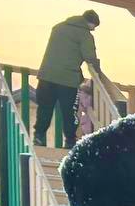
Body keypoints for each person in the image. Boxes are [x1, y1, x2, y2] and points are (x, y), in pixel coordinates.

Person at [34, 10, 100, 148]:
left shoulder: (58, 28)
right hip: (67, 80)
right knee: (69, 111)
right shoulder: (85, 34)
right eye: (94, 26)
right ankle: (70, 140)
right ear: (91, 23)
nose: (93, 29)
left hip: (46, 76)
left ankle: (38, 137)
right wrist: (97, 70)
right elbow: (89, 57)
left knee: (44, 107)